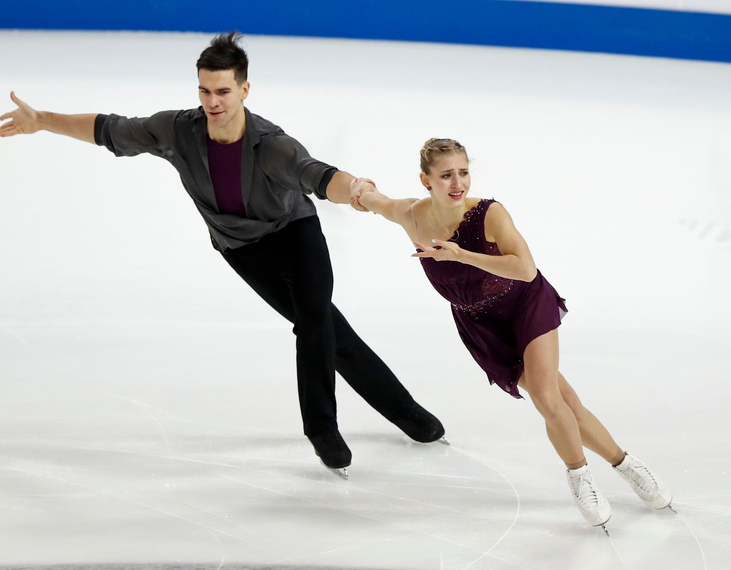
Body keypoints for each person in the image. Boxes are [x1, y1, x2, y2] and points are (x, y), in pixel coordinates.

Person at [0, 31, 446, 477]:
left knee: (314, 320)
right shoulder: (178, 130)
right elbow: (108, 129)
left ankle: (323, 429)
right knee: (329, 330)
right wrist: (41, 119)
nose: (213, 101)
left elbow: (318, 175)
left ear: (244, 90)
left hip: (296, 233)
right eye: (205, 90)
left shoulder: (271, 144)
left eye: (223, 91)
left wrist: (357, 190)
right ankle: (407, 412)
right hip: (243, 250)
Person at [350, 138, 673, 529]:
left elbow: (526, 269)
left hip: (524, 304)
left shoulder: (490, 213)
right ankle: (627, 465)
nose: (458, 183)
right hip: (482, 324)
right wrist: (359, 189)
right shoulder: (411, 216)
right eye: (446, 175)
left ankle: (580, 478)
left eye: (464, 172)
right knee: (565, 402)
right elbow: (373, 200)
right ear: (426, 180)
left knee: (544, 394)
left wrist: (460, 254)